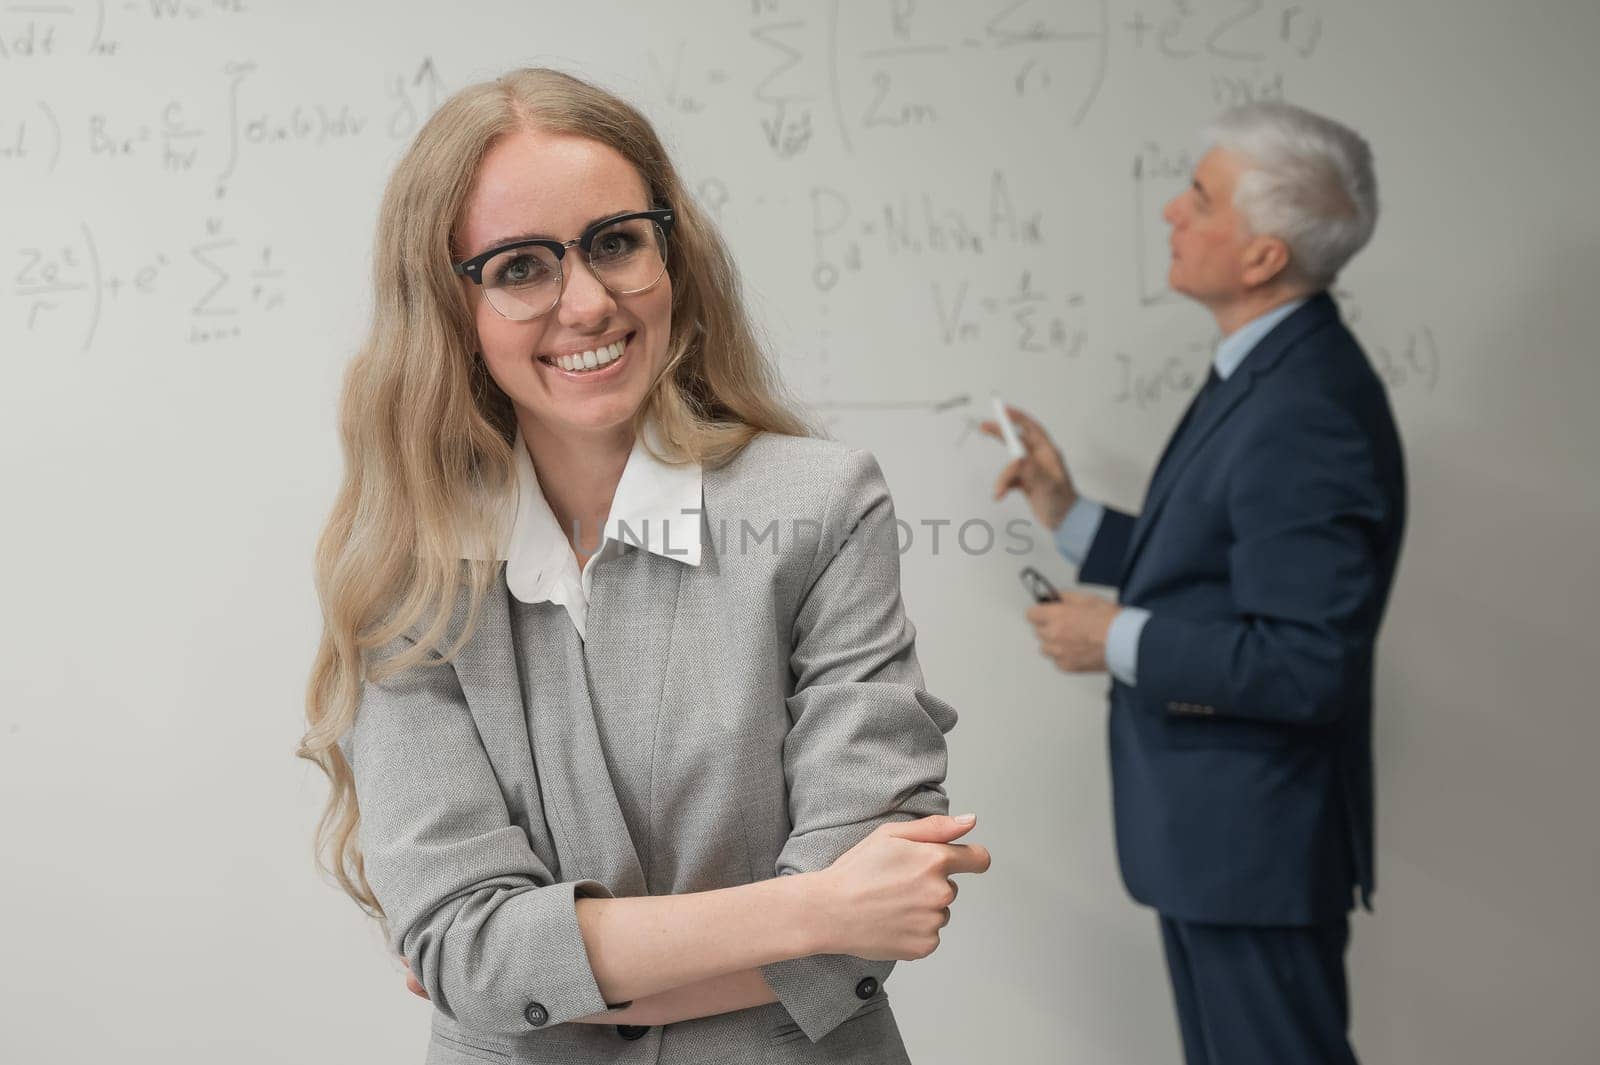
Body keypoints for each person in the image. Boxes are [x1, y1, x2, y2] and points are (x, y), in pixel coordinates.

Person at [298, 67, 990, 1064]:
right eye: (519, 267)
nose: (586, 302)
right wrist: (815, 915)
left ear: (671, 256)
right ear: (450, 308)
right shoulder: (404, 571)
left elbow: (878, 887)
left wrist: (553, 970)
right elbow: (467, 952)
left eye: (616, 243)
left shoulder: (822, 506)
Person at [985, 102, 1405, 1064]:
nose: (1172, 210)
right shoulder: (1270, 372)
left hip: (1253, 847)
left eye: (1201, 196)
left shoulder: (1304, 406)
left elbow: (1306, 662)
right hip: (1227, 846)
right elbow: (1219, 569)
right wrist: (1070, 512)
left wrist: (1114, 638)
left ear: (1262, 257)